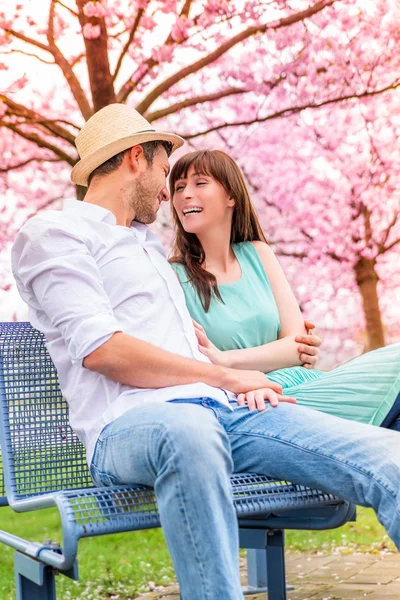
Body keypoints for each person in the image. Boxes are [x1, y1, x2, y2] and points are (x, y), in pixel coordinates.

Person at [11, 104, 400, 600]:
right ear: (137, 158)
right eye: (165, 173)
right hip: (131, 427)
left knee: (388, 455)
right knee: (188, 431)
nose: (167, 193)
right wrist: (226, 377)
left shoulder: (146, 246)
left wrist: (234, 380)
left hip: (227, 415)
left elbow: (191, 348)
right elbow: (103, 350)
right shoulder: (56, 233)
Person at [169, 149, 400, 431]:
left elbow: (297, 345)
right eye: (178, 187)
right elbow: (193, 365)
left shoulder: (258, 253)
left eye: (199, 183)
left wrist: (227, 359)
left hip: (294, 385)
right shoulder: (173, 277)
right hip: (251, 403)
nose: (184, 195)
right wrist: (248, 369)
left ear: (231, 196)